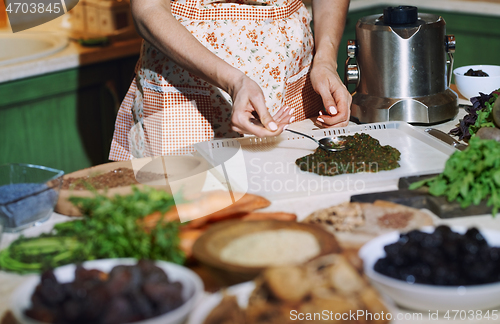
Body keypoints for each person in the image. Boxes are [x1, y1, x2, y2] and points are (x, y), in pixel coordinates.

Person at [109, 0, 351, 160]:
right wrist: (234, 80)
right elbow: (148, 9)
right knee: (190, 219)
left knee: (296, 208)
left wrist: (326, 61)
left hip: (292, 77)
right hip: (186, 82)